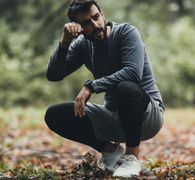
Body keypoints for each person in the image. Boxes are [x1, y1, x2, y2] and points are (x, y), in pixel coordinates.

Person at [44, 0, 164, 177]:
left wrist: (91, 87)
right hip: (113, 119)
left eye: (96, 17)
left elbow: (132, 73)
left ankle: (132, 158)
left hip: (147, 116)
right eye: (86, 23)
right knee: (54, 115)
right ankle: (112, 151)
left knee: (126, 87)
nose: (95, 25)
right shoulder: (82, 45)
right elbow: (54, 75)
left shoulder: (126, 33)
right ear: (78, 28)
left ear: (102, 13)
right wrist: (64, 42)